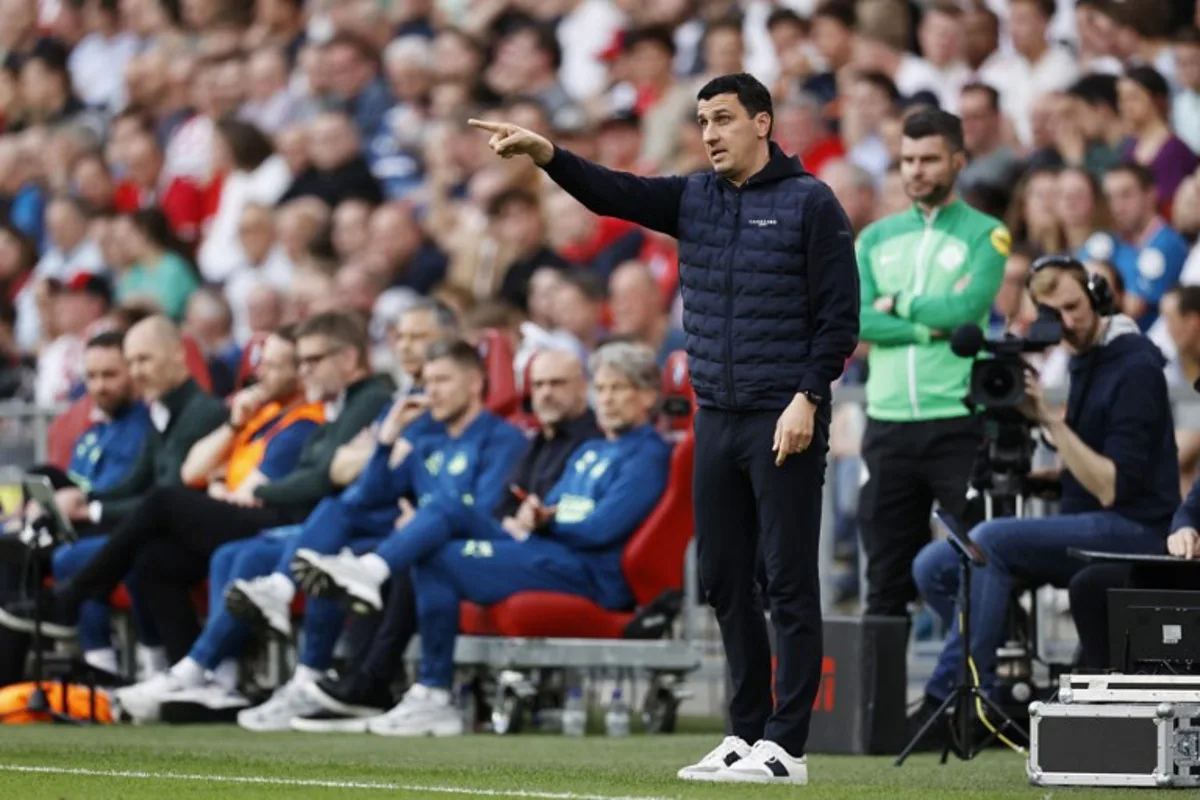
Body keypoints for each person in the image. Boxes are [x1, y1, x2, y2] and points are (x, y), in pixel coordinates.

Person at [468, 71, 859, 784]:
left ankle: (787, 747)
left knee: (788, 579)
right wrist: (548, 154)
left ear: (764, 123)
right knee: (720, 577)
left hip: (783, 414)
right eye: (703, 120)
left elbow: (839, 317)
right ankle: (744, 736)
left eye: (724, 119)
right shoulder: (695, 198)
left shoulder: (811, 203)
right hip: (716, 415)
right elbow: (613, 191)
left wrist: (808, 396)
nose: (709, 132)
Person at [298, 342, 670, 737]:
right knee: (441, 529)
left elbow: (600, 528)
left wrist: (544, 524)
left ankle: (425, 675)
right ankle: (429, 691)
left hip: (589, 572)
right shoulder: (592, 449)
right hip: (547, 549)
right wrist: (533, 516)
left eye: (618, 389)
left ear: (647, 395)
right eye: (603, 388)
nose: (607, 399)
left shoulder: (647, 455)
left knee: (440, 545)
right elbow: (558, 507)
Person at [910, 256, 1179, 739]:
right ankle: (987, 692)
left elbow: (1112, 486)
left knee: (991, 539)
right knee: (933, 564)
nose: (1069, 322)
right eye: (1056, 314)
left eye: (1075, 307)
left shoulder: (1135, 365)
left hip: (1137, 531)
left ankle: (953, 697)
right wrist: (1046, 468)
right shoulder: (1086, 359)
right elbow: (1089, 464)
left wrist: (1049, 420)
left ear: (1098, 298)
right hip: (1092, 521)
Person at [0, 313, 393, 644]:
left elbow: (320, 476)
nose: (260, 374)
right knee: (153, 557)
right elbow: (194, 470)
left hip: (287, 517)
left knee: (162, 505)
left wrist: (258, 487)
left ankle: (73, 605)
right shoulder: (263, 412)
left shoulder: (322, 411)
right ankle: (187, 671)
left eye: (282, 364)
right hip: (256, 509)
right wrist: (236, 428)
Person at [224, 338, 527, 731]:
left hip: (475, 547)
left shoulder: (503, 438)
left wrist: (424, 517)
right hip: (412, 541)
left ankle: (391, 682)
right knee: (333, 527)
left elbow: (482, 510)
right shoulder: (426, 439)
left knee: (426, 533)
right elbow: (366, 496)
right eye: (427, 381)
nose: (431, 391)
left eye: (443, 381)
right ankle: (290, 617)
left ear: (474, 383)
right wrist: (386, 440)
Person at [855, 108, 1008, 620]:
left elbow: (968, 312)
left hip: (958, 422)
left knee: (978, 566)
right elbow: (855, 320)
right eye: (907, 160)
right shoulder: (874, 238)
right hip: (888, 424)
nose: (916, 170)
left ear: (958, 162)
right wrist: (927, 326)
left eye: (929, 159)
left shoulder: (987, 234)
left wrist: (895, 306)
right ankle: (882, 704)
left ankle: (981, 697)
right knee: (883, 581)